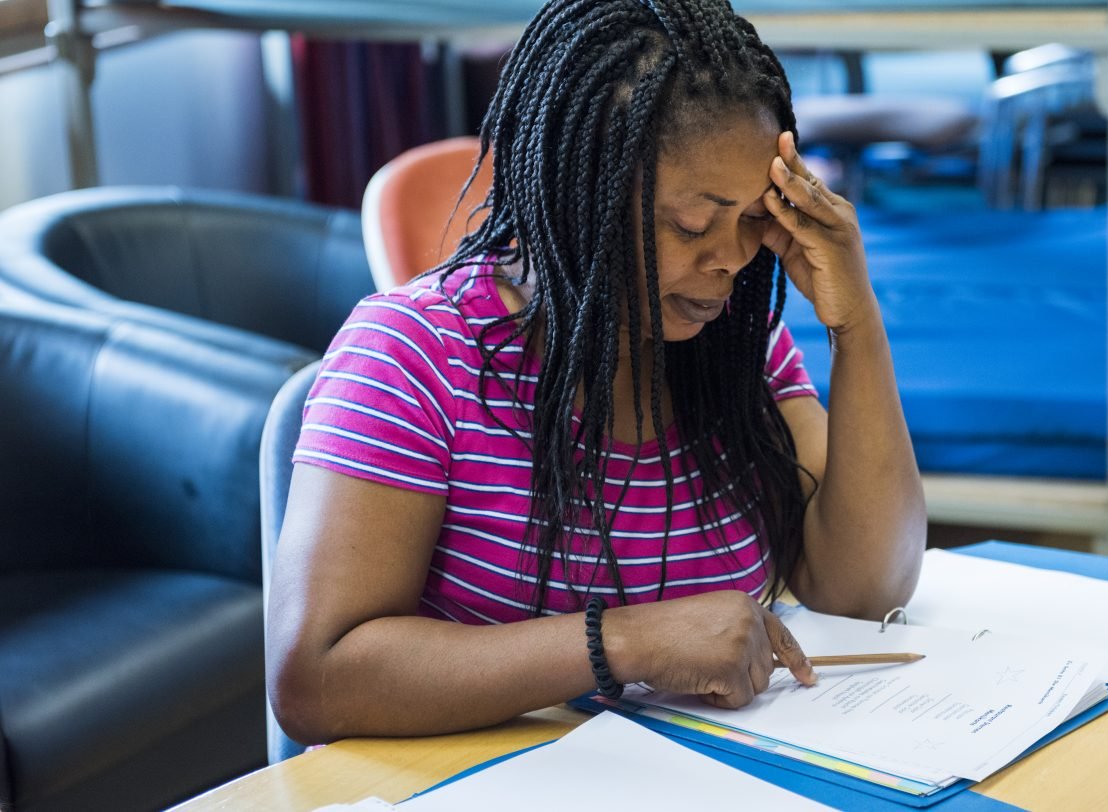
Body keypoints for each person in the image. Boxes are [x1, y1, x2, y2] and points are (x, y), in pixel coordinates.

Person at [267, 0, 925, 746]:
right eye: (691, 224)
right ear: (577, 191)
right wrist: (624, 643)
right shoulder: (413, 353)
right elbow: (315, 679)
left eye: (751, 218)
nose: (733, 259)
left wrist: (856, 324)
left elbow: (865, 590)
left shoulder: (735, 340)